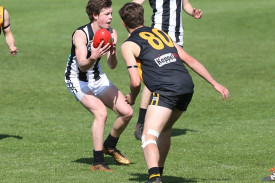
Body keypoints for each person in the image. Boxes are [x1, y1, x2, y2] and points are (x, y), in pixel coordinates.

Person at [119, 2, 229, 182]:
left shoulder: (128, 44)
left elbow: (134, 81)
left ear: (124, 24)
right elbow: (189, 60)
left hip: (166, 90)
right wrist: (214, 83)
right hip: (186, 86)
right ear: (144, 18)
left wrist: (132, 96)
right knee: (165, 130)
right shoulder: (161, 34)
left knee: (148, 136)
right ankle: (158, 173)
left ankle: (154, 178)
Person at [64, 0, 133, 172]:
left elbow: (112, 65)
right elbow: (82, 65)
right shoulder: (81, 34)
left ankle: (109, 145)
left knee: (127, 112)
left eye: (111, 13)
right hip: (77, 79)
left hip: (97, 77)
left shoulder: (112, 32)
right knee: (100, 113)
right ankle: (98, 162)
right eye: (107, 14)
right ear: (95, 15)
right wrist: (93, 56)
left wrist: (114, 51)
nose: (111, 17)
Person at [132, 0, 202, 140]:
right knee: (152, 80)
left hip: (176, 36)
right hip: (158, 35)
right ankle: (141, 122)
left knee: (173, 74)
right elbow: (135, 3)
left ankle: (158, 119)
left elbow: (185, 4)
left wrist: (192, 12)